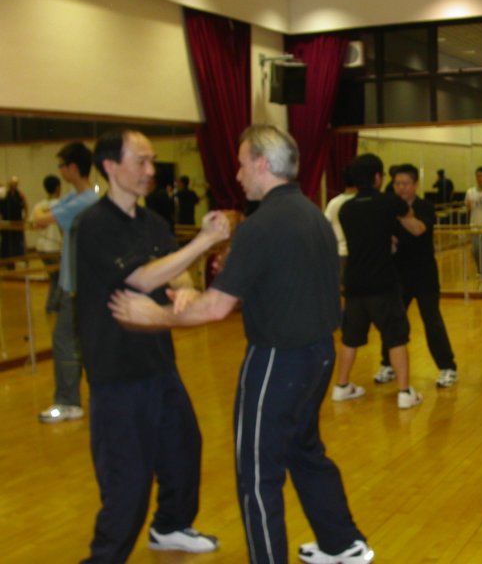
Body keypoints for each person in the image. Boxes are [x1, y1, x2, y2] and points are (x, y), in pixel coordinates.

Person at [108, 124, 374, 564]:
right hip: (317, 355)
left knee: (256, 473)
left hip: (277, 362)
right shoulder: (312, 214)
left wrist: (153, 316)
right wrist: (214, 287)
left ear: (262, 164)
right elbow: (278, 284)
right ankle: (342, 543)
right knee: (303, 450)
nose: (236, 174)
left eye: (241, 164)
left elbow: (216, 308)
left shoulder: (261, 225)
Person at [76, 129, 225, 562]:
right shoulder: (95, 225)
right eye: (140, 161)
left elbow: (173, 269)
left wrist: (186, 288)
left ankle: (170, 527)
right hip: (117, 373)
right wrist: (205, 241)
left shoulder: (153, 222)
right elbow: (140, 278)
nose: (149, 170)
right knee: (128, 480)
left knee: (184, 449)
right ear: (110, 166)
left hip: (159, 364)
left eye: (151, 160)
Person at [334, 153, 424, 408]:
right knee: (396, 337)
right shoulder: (389, 202)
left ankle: (341, 386)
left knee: (350, 338)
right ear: (377, 177)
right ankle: (404, 392)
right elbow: (410, 218)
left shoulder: (346, 208)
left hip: (353, 283)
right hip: (382, 282)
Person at [372, 164, 458, 388]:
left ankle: (447, 367)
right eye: (397, 184)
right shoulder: (388, 207)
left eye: (406, 183)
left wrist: (400, 213)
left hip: (424, 274)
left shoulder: (424, 206)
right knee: (393, 321)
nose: (401, 188)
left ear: (415, 185)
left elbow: (418, 229)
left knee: (431, 320)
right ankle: (388, 363)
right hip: (397, 274)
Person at [33, 143, 98, 422]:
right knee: (78, 342)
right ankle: (86, 399)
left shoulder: (85, 202)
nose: (59, 171)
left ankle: (68, 401)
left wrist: (44, 215)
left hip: (81, 286)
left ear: (72, 167)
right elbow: (43, 217)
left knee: (65, 341)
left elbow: (41, 218)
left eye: (61, 165)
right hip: (71, 283)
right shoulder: (76, 197)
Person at [30, 174, 63, 313]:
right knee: (59, 277)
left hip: (41, 246)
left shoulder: (38, 205)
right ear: (57, 188)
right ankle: (54, 305)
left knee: (54, 277)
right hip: (53, 247)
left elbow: (33, 225)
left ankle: (51, 305)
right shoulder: (61, 204)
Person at [324, 166, 357, 281]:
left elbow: (326, 228)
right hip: (359, 253)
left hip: (340, 251)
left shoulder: (334, 203)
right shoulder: (361, 202)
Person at [0, 176, 28, 264]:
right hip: (6, 222)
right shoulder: (4, 194)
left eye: (15, 184)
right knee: (6, 241)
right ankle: (7, 261)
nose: (14, 185)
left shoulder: (20, 194)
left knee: (18, 241)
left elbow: (25, 206)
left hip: (17, 221)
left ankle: (21, 259)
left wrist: (25, 218)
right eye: (12, 183)